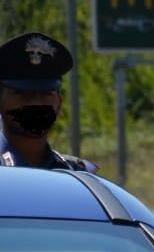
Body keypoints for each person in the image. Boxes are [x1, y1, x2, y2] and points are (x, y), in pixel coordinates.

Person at [0, 32, 96, 173]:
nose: (36, 103)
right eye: (23, 94)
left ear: (59, 104)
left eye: (45, 94)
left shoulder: (76, 174)